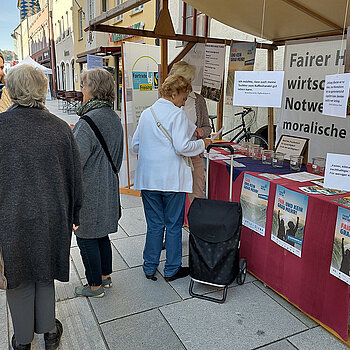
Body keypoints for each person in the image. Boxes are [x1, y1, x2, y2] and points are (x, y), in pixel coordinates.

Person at [0, 64, 83, 350]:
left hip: (11, 218)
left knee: (18, 278)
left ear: (10, 91)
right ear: (43, 90)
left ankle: (23, 341)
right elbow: (75, 177)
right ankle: (48, 332)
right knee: (45, 273)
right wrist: (75, 213)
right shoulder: (60, 129)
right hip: (52, 215)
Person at [132, 74, 212, 282]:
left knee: (155, 225)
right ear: (174, 93)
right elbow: (183, 147)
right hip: (172, 180)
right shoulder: (177, 115)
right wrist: (203, 144)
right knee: (174, 225)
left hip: (149, 180)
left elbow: (135, 146)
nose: (185, 102)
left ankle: (149, 266)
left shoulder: (147, 114)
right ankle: (172, 269)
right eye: (184, 97)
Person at [73, 68, 123, 298]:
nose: (81, 90)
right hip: (109, 186)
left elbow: (75, 161)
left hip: (90, 190)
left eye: (83, 85)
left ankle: (94, 286)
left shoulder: (87, 121)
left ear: (92, 89)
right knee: (102, 234)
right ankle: (106, 276)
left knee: (86, 236)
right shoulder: (113, 117)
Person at [169, 61, 211, 202]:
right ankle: (181, 221)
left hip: (194, 153)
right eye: (185, 80)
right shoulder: (167, 101)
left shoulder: (198, 100)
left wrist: (202, 131)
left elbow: (207, 127)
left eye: (190, 80)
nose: (188, 84)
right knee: (175, 195)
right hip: (173, 156)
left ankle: (195, 222)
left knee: (197, 192)